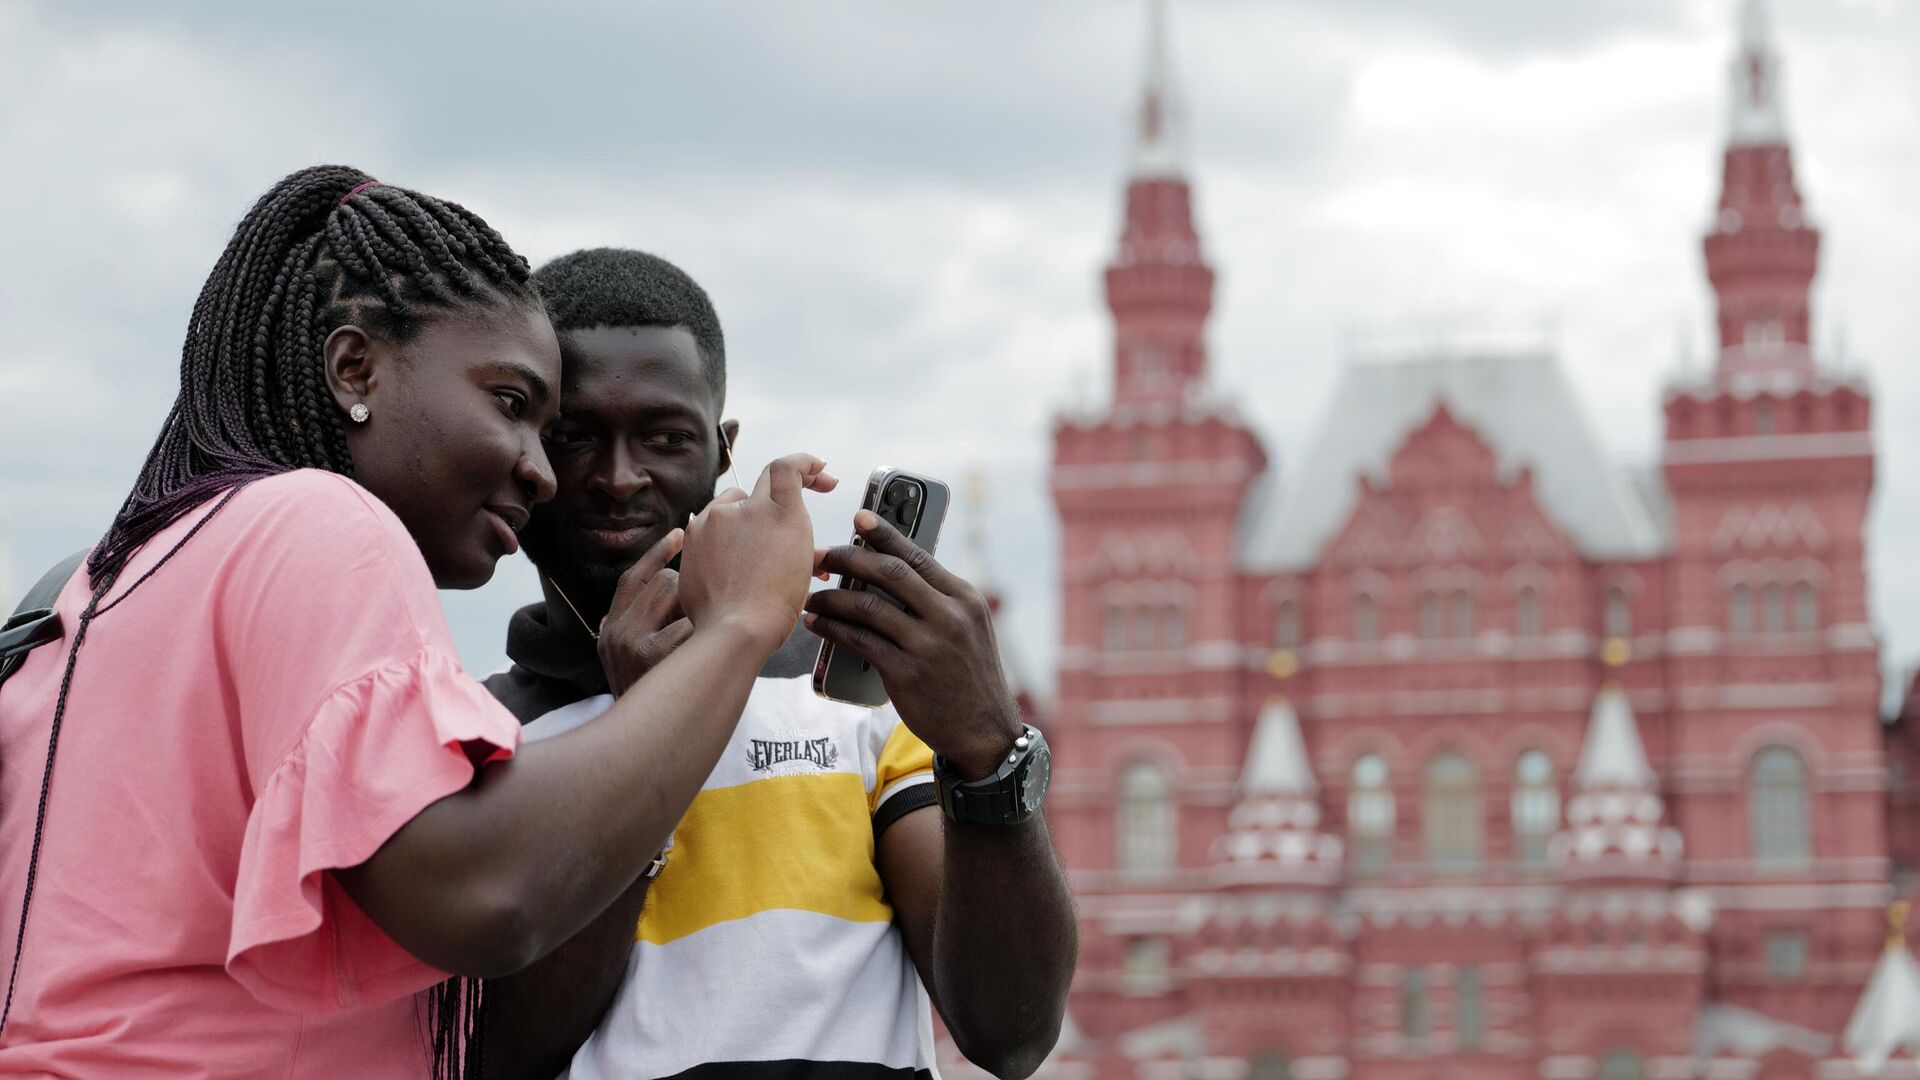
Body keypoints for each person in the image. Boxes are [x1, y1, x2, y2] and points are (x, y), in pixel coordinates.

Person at [0, 168, 831, 1079]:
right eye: (513, 406)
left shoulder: (107, 578)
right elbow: (486, 894)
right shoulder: (323, 522)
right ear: (357, 367)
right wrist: (740, 625)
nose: (542, 472)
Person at [479, 248, 1078, 1080]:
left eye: (665, 436)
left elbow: (1010, 1033)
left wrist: (986, 746)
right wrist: (648, 738)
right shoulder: (479, 733)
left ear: (724, 452)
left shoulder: (848, 695)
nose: (619, 479)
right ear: (526, 456)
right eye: (575, 436)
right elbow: (505, 1054)